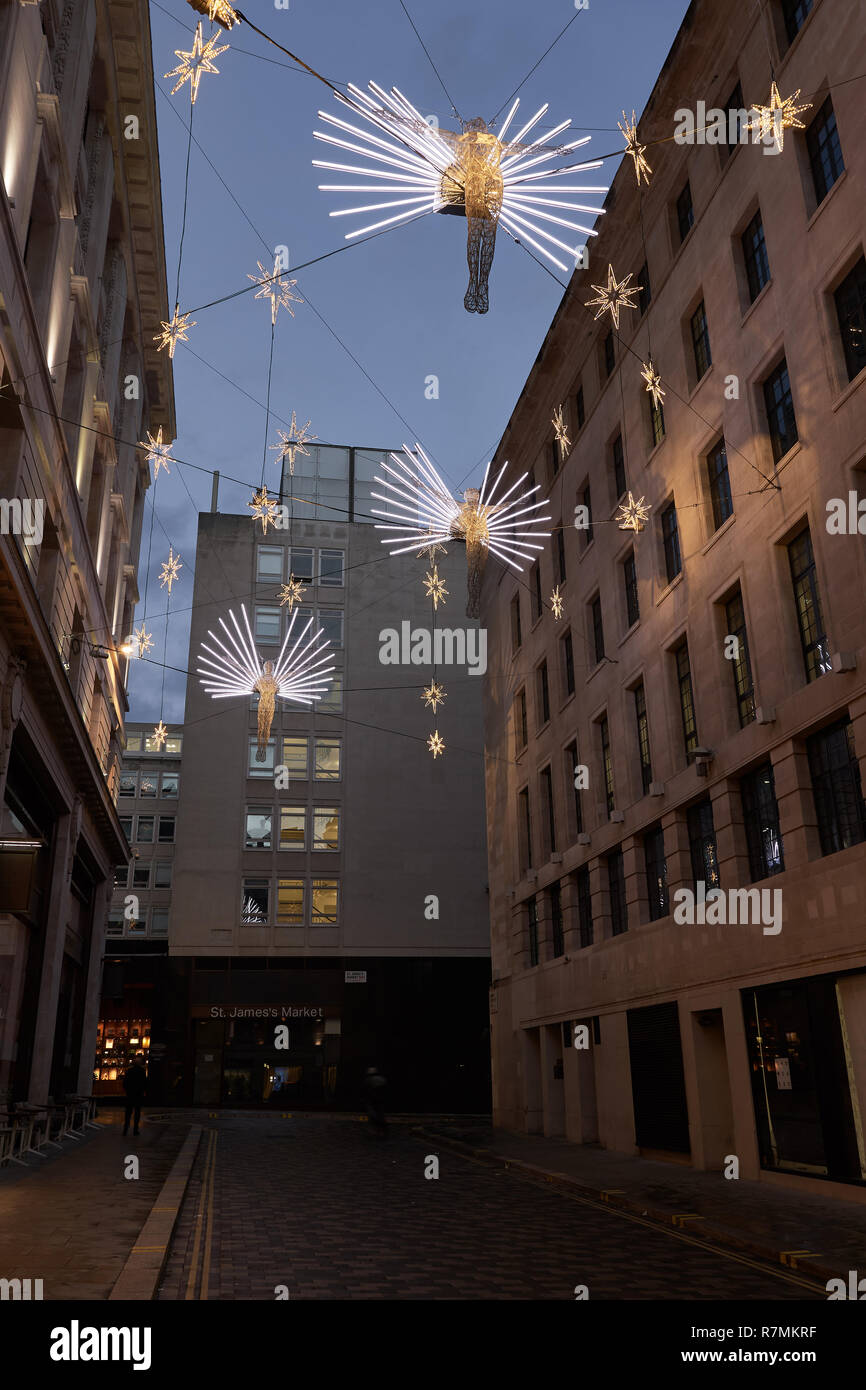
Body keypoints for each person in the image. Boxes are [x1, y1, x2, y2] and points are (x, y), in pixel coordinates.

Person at [122, 1056, 147, 1137]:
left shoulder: (129, 1071)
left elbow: (125, 1082)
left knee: (128, 1112)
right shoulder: (142, 1071)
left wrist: (127, 1091)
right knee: (137, 1112)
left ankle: (125, 1129)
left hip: (130, 1094)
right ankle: (135, 1129)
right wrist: (143, 1091)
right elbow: (144, 1083)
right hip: (138, 1094)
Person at [363, 1065, 388, 1138]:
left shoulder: (368, 1080)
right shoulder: (382, 1079)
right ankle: (382, 1130)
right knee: (380, 1115)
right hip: (380, 1100)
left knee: (372, 1115)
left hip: (372, 1100)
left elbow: (366, 1090)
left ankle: (376, 1131)